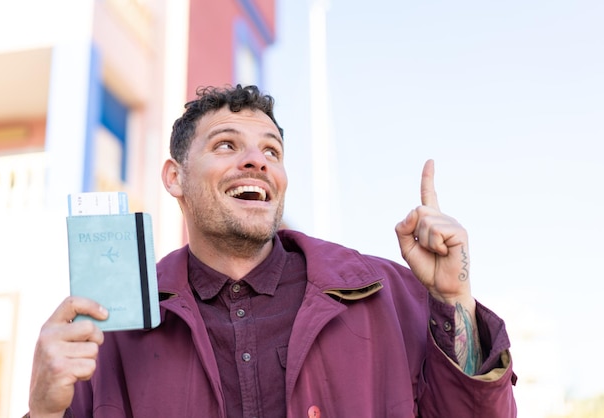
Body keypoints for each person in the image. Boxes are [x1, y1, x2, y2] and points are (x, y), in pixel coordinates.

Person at [27, 84, 517, 418]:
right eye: (225, 145)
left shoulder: (390, 295)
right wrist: (45, 410)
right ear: (175, 178)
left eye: (272, 151)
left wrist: (455, 298)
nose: (255, 161)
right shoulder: (108, 328)